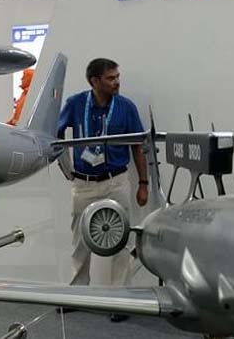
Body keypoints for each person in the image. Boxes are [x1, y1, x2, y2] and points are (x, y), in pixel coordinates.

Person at [56, 58, 148, 321]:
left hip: (115, 181)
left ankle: (120, 300)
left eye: (117, 76)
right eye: (110, 78)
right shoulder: (75, 104)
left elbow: (137, 147)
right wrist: (65, 168)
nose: (116, 82)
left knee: (121, 241)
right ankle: (76, 294)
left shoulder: (126, 107)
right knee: (79, 241)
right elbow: (55, 136)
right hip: (83, 183)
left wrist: (143, 184)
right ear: (94, 81)